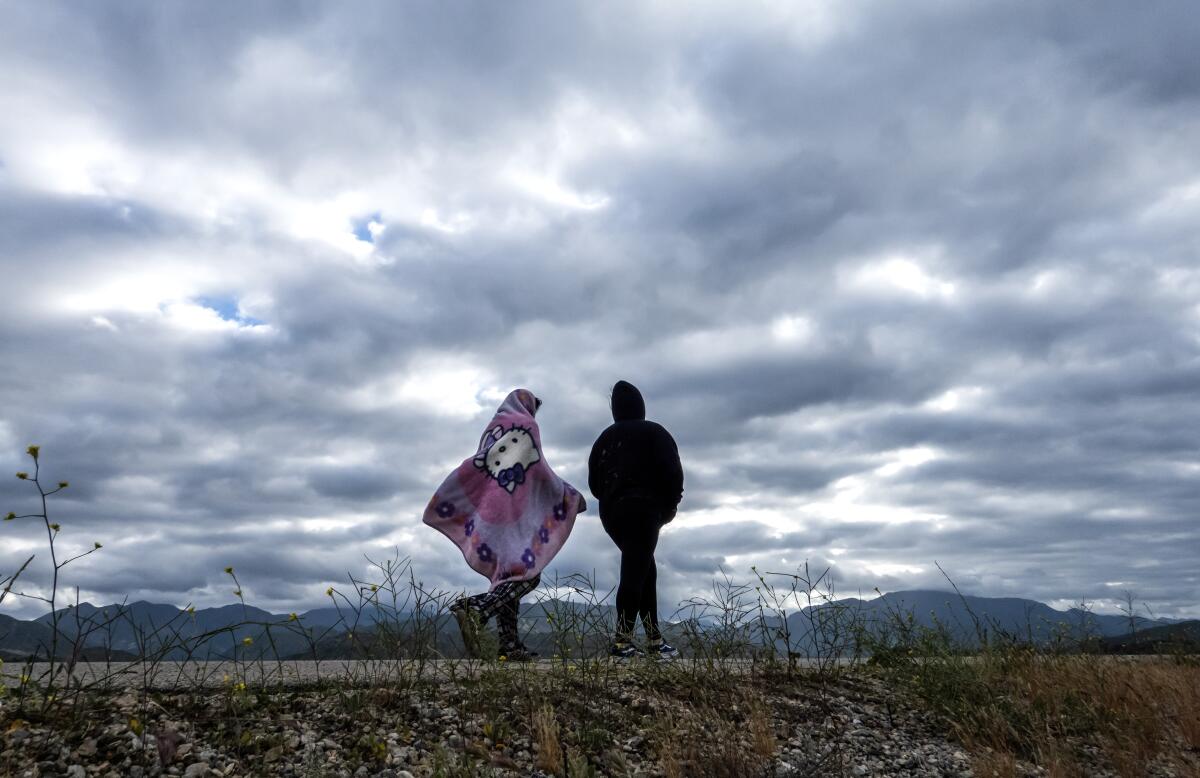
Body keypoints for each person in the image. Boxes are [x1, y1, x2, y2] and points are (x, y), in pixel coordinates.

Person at [423, 389, 586, 661]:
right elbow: (537, 471)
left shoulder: (493, 429)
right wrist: (567, 494)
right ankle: (478, 608)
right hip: (512, 515)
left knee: (509, 576)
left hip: (490, 516)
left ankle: (509, 645)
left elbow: (484, 468)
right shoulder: (526, 426)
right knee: (528, 575)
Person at [588, 380, 683, 659]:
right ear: (641, 406)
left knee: (643, 568)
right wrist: (669, 507)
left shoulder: (603, 439)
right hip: (645, 510)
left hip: (612, 513)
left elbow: (594, 484)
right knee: (635, 570)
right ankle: (622, 642)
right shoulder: (655, 432)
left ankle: (654, 639)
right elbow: (674, 473)